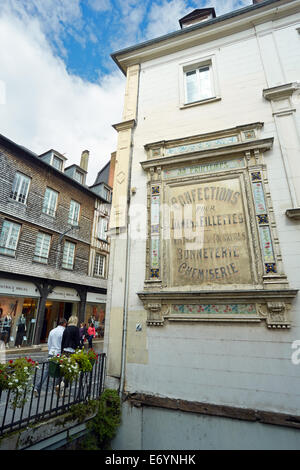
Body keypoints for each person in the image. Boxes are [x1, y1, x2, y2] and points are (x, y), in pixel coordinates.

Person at [34, 318, 67, 396]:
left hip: (52, 352)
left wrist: (50, 351)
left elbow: (49, 343)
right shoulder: (64, 332)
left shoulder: (52, 331)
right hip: (59, 353)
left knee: (46, 371)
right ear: (64, 323)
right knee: (61, 371)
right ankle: (57, 387)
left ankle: (37, 387)